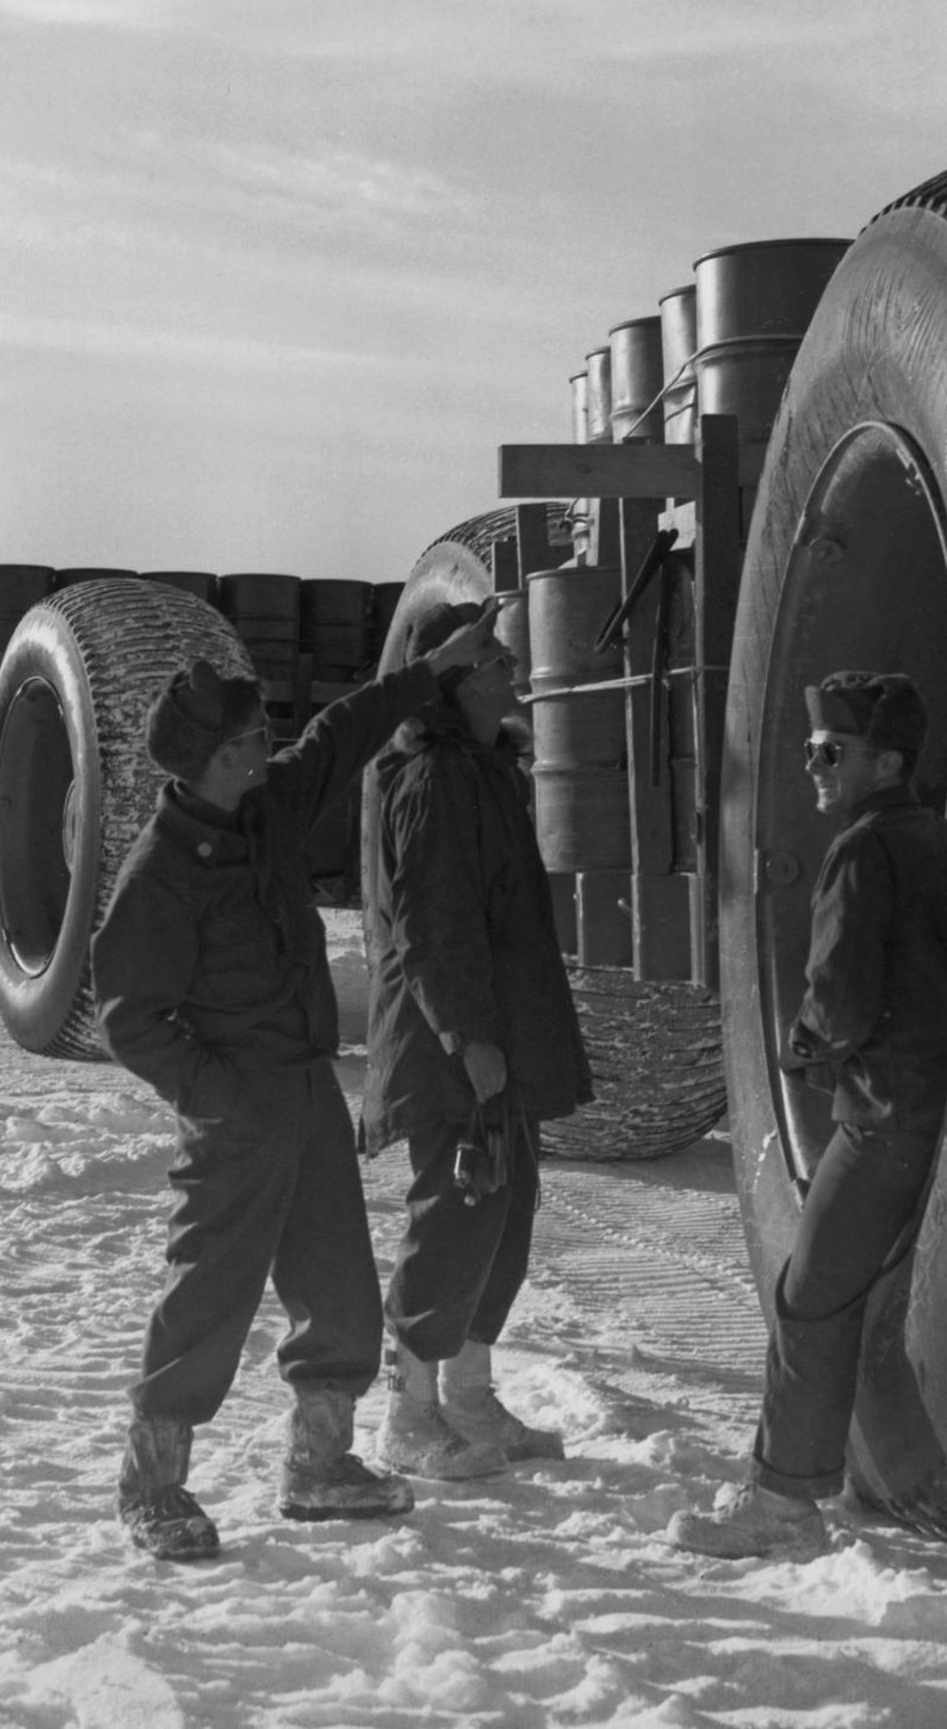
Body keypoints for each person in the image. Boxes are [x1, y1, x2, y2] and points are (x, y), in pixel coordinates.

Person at [91, 612, 502, 1562]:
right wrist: (217, 1096)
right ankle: (151, 1486)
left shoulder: (265, 808)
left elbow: (341, 735)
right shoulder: (160, 874)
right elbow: (129, 1018)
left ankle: (319, 1465)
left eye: (262, 733)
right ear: (207, 759)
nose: (266, 748)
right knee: (207, 1298)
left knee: (339, 1288)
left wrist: (429, 673)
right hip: (237, 1108)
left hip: (307, 1090)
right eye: (249, 738)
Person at [668, 669, 947, 1559]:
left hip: (883, 1114)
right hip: (924, 1107)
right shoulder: (927, 836)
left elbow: (840, 998)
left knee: (810, 1299)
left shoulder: (863, 850)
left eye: (833, 752)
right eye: (809, 750)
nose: (812, 766)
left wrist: (803, 1046)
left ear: (888, 763)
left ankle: (782, 1508)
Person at [361, 597, 593, 1480]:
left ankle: (467, 1397)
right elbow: (433, 926)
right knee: (455, 1217)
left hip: (495, 1041)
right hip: (450, 1043)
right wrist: (468, 1039)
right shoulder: (435, 779)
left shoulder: (486, 769)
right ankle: (408, 1414)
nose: (511, 666)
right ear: (452, 684)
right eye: (492, 657)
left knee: (502, 1213)